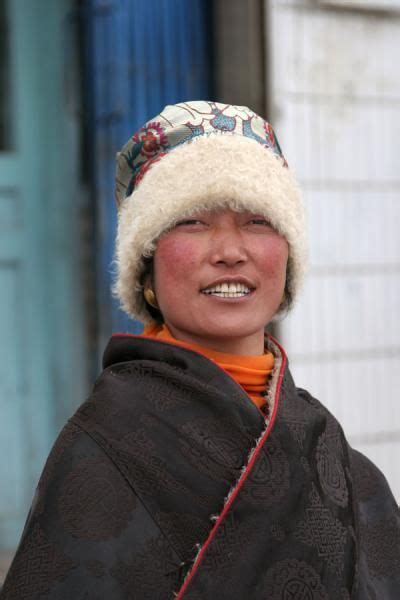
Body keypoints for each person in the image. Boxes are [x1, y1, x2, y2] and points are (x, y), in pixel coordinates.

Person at [2, 101, 399, 599]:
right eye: (193, 221)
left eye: (257, 220)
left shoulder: (341, 463)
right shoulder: (104, 450)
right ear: (145, 270)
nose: (231, 251)